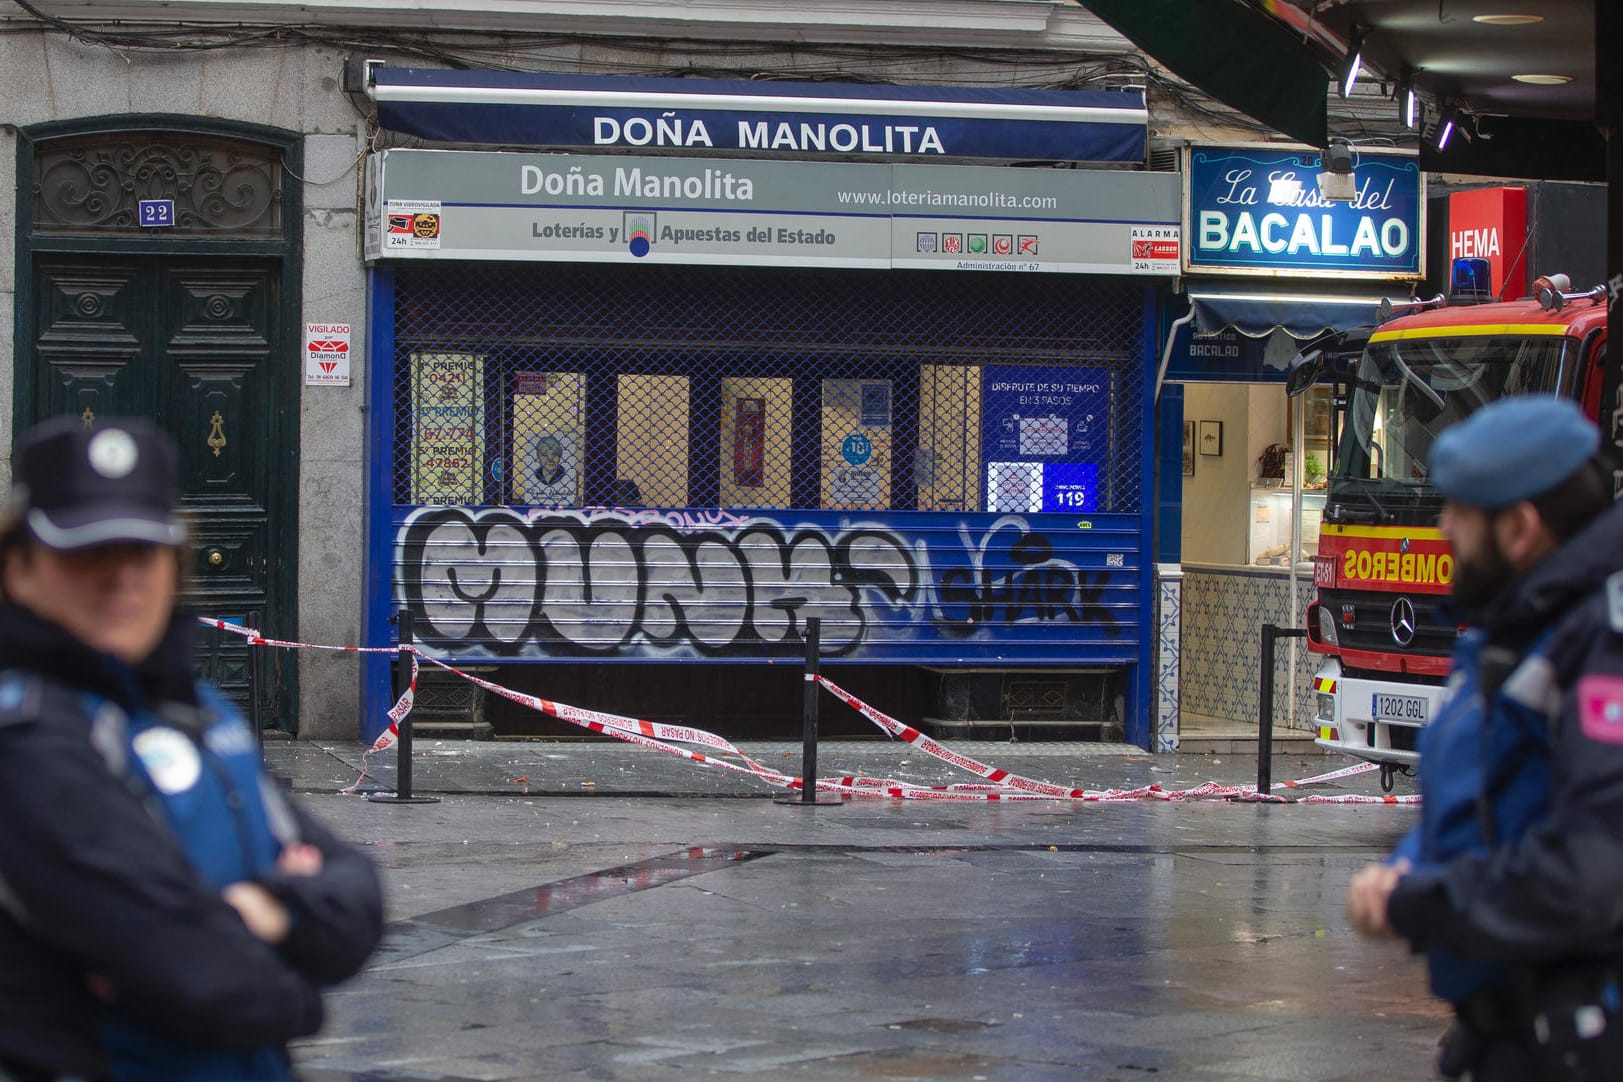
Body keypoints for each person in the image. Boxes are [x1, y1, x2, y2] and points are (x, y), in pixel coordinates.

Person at [0, 416, 383, 1082]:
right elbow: (204, 978)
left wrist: (275, 910)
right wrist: (295, 982)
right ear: (19, 569)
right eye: (85, 552)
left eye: (141, 552)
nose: (118, 578)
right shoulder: (27, 737)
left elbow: (357, 894)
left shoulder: (199, 712)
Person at [1345, 395, 1623, 1081]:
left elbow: (1592, 871)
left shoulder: (1599, 645)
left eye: (1459, 513)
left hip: (1574, 1041)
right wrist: (1409, 867)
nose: (1442, 530)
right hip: (1503, 1031)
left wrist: (1424, 901)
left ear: (1520, 529)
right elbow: (1476, 796)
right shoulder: (1517, 627)